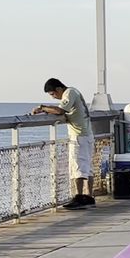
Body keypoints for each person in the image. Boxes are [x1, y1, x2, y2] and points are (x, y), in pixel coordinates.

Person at [32, 78, 95, 210]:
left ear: (58, 89)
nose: (54, 97)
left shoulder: (69, 93)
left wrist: (42, 108)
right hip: (87, 134)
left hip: (79, 136)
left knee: (77, 167)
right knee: (87, 167)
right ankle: (89, 197)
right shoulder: (74, 91)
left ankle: (79, 197)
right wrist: (47, 109)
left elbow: (60, 110)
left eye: (53, 94)